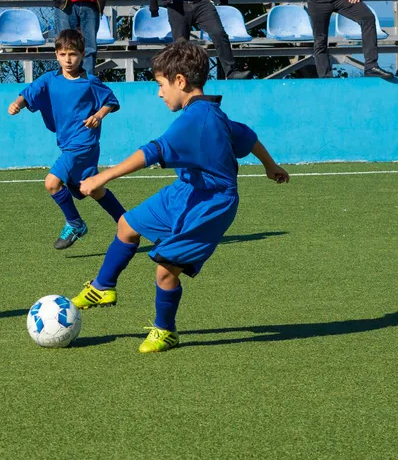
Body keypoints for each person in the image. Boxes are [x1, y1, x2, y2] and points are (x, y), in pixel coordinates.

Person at [71, 40, 289, 353]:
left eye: (161, 85)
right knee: (127, 226)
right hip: (185, 191)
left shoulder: (195, 119)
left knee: (165, 271)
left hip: (211, 203)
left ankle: (166, 330)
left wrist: (102, 177)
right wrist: (271, 166)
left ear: (180, 82)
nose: (160, 93)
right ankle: (103, 287)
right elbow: (248, 137)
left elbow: (152, 152)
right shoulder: (210, 111)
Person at [7, 29, 126, 250]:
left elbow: (110, 100)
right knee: (92, 188)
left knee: (52, 183)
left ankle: (75, 223)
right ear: (56, 55)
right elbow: (29, 92)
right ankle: (127, 222)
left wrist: (98, 115)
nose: (68, 59)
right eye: (62, 54)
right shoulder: (49, 80)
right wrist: (17, 103)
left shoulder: (90, 82)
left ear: (82, 54)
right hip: (68, 143)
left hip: (84, 143)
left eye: (72, 54)